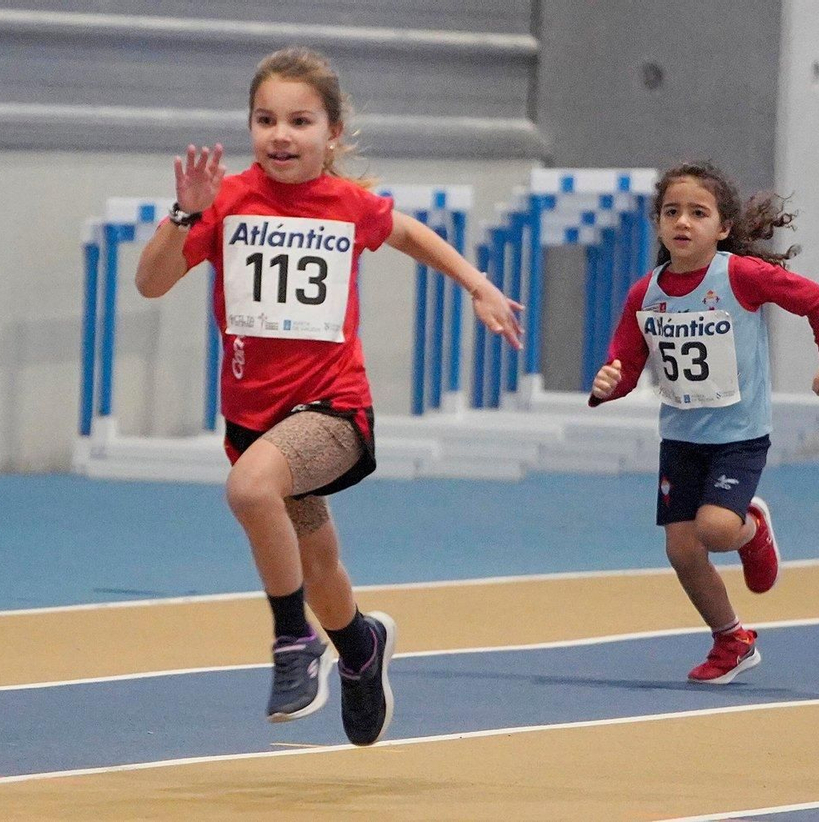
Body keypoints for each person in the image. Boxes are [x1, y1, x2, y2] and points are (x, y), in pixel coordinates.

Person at [134, 47, 522, 744]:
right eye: (266, 119)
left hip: (334, 413)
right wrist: (183, 216)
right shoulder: (223, 203)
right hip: (254, 418)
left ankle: (294, 644)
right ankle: (360, 647)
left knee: (251, 490)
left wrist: (478, 284)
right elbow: (151, 283)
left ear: (332, 133)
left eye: (300, 121)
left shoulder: (347, 205)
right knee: (319, 567)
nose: (281, 134)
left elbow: (407, 231)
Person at [590, 161, 819, 684]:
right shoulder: (646, 294)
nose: (682, 222)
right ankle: (731, 639)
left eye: (698, 213)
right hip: (681, 438)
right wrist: (607, 385)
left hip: (739, 436)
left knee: (716, 528)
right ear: (659, 223)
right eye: (671, 212)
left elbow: (814, 300)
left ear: (723, 227)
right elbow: (627, 362)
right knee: (682, 549)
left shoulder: (739, 276)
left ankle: (752, 529)